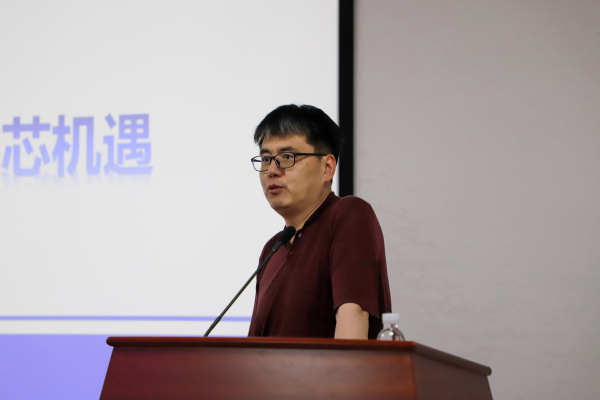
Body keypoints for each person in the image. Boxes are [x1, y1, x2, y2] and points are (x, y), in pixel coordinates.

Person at [248, 104, 391, 340]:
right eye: (265, 159)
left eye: (287, 157)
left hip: (335, 367)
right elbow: (253, 351)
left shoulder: (348, 215)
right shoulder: (271, 250)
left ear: (327, 167)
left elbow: (353, 320)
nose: (271, 170)